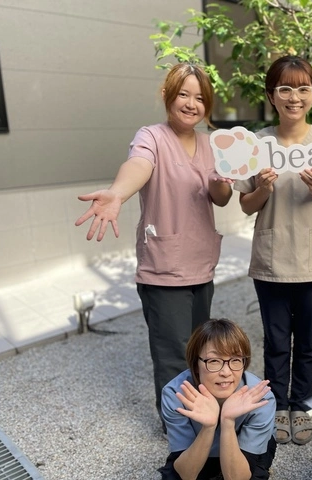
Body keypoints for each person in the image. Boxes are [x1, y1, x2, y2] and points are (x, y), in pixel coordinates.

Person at [75, 63, 233, 430]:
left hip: (201, 264)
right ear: (167, 95)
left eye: (200, 98)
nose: (191, 104)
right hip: (164, 269)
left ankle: (201, 417)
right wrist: (117, 193)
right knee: (172, 356)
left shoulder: (211, 144)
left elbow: (221, 197)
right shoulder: (151, 136)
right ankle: (177, 429)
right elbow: (139, 165)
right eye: (183, 94)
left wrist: (221, 182)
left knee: (201, 352)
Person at [234, 55, 312, 445]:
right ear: (271, 95)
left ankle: (301, 405)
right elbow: (245, 205)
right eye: (284, 89)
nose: (294, 97)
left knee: (309, 342)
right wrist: (264, 188)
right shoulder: (255, 144)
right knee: (275, 341)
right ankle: (276, 405)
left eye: (303, 88)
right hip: (271, 260)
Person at [159, 318, 277, 480]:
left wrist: (227, 421)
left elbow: (238, 478)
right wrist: (208, 427)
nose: (226, 372)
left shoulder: (261, 397)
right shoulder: (175, 394)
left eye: (235, 360)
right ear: (195, 364)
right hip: (198, 447)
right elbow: (186, 474)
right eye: (214, 361)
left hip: (243, 452)